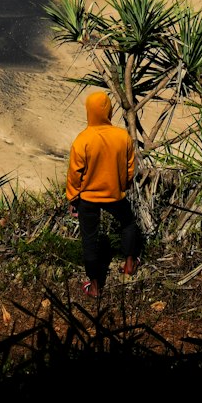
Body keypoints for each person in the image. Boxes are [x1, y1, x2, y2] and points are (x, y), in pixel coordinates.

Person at [66, 89, 140, 296]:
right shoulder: (122, 136)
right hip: (115, 195)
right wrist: (122, 186)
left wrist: (73, 198)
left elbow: (74, 174)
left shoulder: (82, 140)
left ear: (88, 111)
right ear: (109, 111)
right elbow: (130, 168)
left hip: (88, 198)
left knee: (90, 238)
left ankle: (95, 286)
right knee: (128, 223)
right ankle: (129, 264)